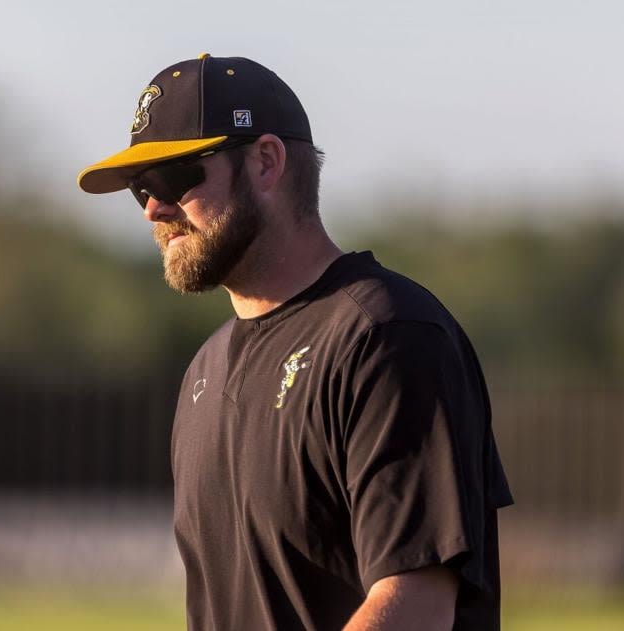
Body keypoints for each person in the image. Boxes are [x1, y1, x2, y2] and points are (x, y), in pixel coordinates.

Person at [78, 53, 514, 631]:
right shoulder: (204, 371)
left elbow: (415, 609)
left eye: (175, 178)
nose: (154, 209)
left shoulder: (386, 337)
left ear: (265, 161)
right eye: (140, 189)